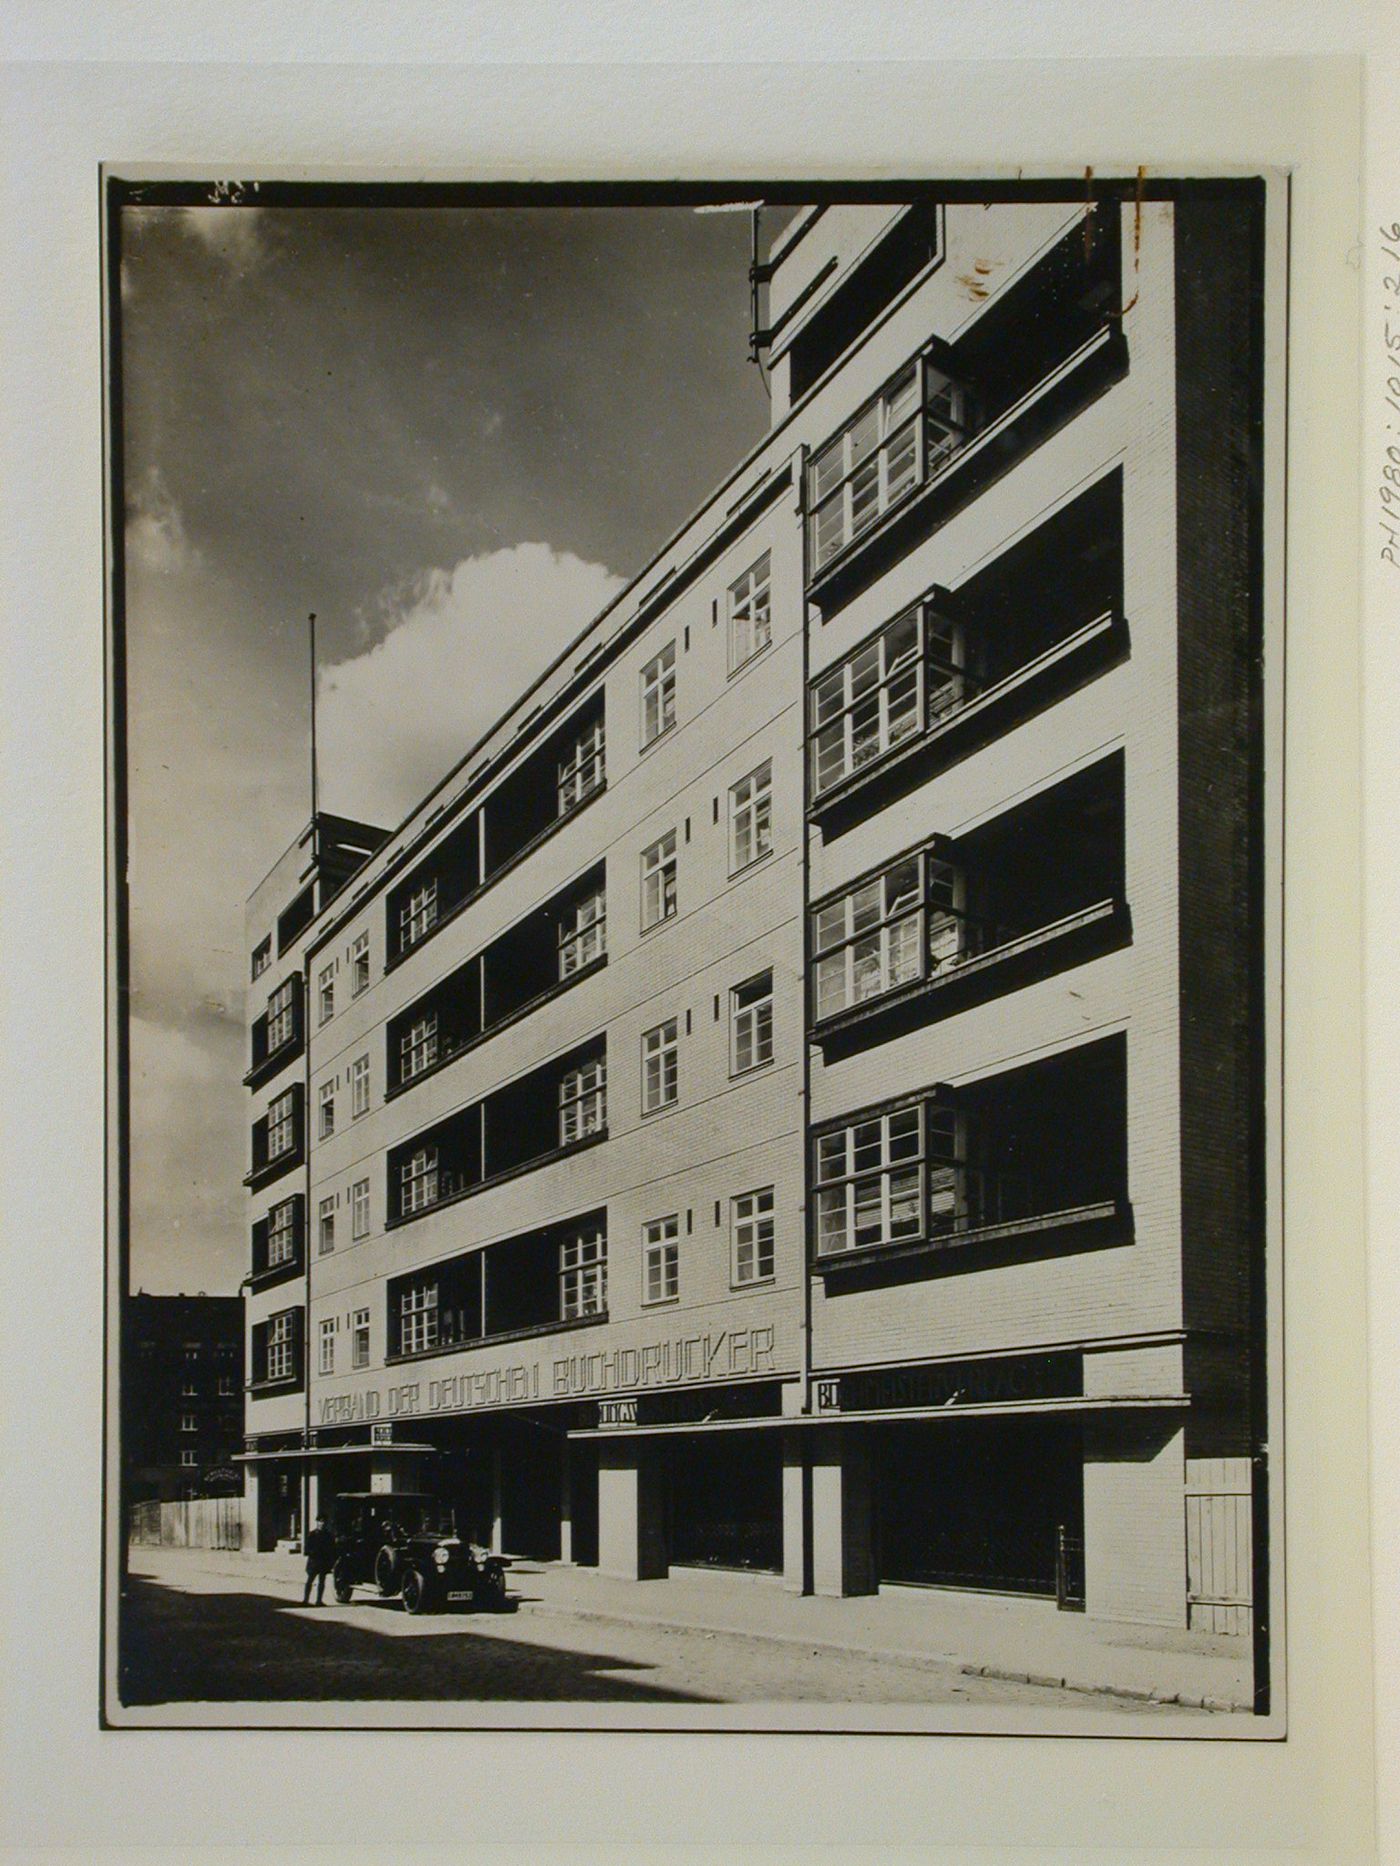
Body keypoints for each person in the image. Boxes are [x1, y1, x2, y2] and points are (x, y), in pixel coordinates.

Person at [302, 1514, 336, 1606]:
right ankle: (305, 1600)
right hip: (314, 1561)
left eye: (324, 1522)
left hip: (323, 1561)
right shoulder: (312, 1534)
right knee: (310, 1581)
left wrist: (331, 1561)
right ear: (317, 1523)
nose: (322, 1524)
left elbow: (332, 1549)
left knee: (322, 1581)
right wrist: (312, 1552)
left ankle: (319, 1600)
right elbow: (307, 1548)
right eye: (320, 1521)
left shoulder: (329, 1536)